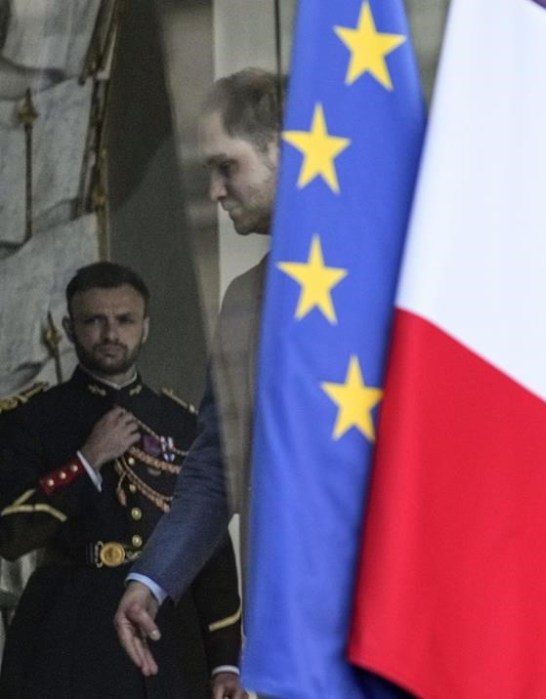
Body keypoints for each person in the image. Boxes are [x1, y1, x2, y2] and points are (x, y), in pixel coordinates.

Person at [0, 261, 242, 698]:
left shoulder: (182, 423)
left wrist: (225, 661)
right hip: (68, 630)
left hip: (168, 631)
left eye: (125, 320)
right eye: (94, 321)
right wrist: (86, 461)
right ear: (70, 328)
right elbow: (11, 534)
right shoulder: (34, 418)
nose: (111, 334)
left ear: (145, 327)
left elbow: (211, 551)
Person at [114, 68, 280, 684]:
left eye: (226, 166)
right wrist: (152, 578)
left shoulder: (396, 283)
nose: (213, 191)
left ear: (282, 149)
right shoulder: (245, 302)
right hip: (285, 630)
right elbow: (215, 469)